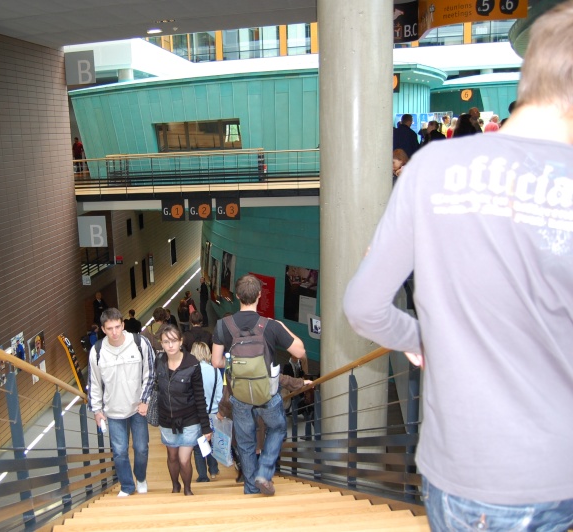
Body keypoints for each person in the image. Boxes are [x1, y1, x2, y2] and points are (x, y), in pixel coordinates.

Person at [343, 3, 573, 528]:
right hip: (558, 464)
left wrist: (421, 339)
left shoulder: (433, 168)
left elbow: (363, 305)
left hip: (467, 470)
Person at [211, 274, 306, 496]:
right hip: (268, 394)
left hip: (240, 395)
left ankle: (251, 487)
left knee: (245, 441)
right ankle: (264, 472)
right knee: (278, 428)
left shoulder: (223, 326)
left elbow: (216, 361)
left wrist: (237, 364)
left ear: (236, 296)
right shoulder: (271, 326)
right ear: (259, 296)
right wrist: (284, 327)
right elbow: (300, 351)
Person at [88, 308, 155, 497]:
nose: (114, 332)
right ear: (103, 329)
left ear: (123, 325)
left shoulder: (140, 343)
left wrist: (145, 400)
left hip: (137, 408)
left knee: (141, 448)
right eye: (109, 329)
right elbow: (94, 383)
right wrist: (97, 410)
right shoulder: (97, 351)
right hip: (113, 410)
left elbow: (150, 374)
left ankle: (140, 477)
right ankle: (127, 485)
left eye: (117, 327)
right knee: (119, 451)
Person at [155, 325, 212, 495]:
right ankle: (175, 486)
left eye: (173, 341)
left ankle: (187, 489)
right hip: (166, 419)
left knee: (183, 458)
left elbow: (200, 397)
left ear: (181, 341)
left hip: (189, 418)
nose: (170, 345)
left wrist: (206, 426)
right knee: (172, 456)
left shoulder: (192, 364)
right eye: (166, 342)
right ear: (161, 344)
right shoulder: (159, 361)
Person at [191, 341, 222, 483]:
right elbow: (220, 396)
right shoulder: (215, 370)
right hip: (214, 413)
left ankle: (203, 475)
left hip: (197, 414)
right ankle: (214, 469)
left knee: (199, 445)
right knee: (212, 442)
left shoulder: (191, 372)